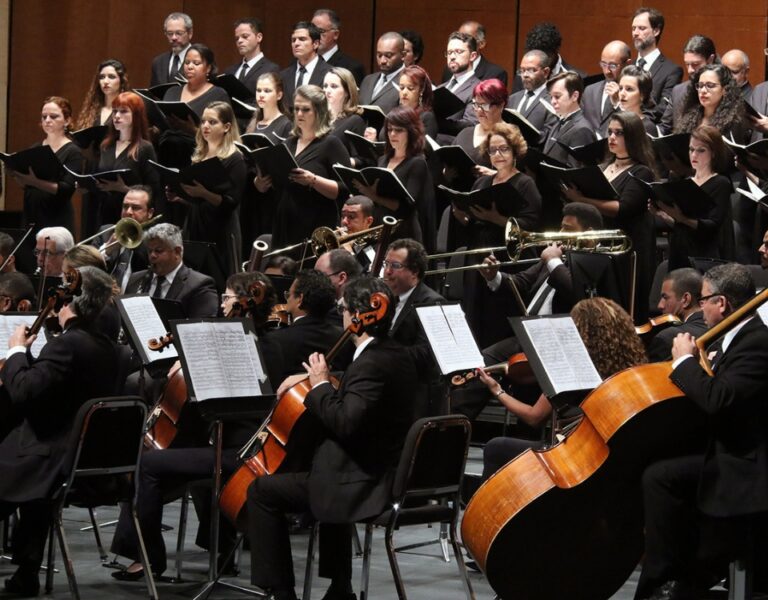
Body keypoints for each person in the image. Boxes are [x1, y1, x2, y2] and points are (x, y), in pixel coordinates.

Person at [246, 275, 420, 600]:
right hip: (382, 469)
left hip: (363, 482)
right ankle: (340, 587)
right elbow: (363, 388)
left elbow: (344, 422)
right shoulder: (395, 354)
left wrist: (321, 385)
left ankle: (281, 591)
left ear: (356, 315)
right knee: (323, 461)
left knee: (261, 490)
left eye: (343, 308)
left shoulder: (372, 362)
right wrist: (322, 378)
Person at [110, 270, 285, 581]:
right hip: (233, 440)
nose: (221, 303)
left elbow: (219, 401)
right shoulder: (269, 343)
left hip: (239, 448)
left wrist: (188, 370)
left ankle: (148, 556)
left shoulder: (241, 345)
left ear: (244, 302)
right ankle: (217, 550)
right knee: (170, 460)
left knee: (148, 465)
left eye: (228, 297)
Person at [635, 263, 768, 600]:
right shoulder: (733, 338)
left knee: (660, 477)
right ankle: (670, 577)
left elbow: (718, 399)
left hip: (746, 465)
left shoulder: (757, 343)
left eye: (705, 300)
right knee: (659, 469)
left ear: (721, 303)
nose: (701, 309)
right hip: (726, 448)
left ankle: (665, 580)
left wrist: (684, 363)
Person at [0, 266, 120, 596]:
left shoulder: (66, 346)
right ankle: (25, 570)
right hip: (87, 456)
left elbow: (22, 391)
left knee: (9, 447)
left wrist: (15, 351)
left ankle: (24, 568)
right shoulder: (106, 346)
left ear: (71, 302)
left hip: (52, 458)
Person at [477, 297, 647, 479]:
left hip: (572, 454)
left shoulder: (572, 365)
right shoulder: (631, 366)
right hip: (614, 454)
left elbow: (534, 417)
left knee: (496, 448)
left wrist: (497, 391)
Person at [452, 122, 542, 347]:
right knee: (475, 311)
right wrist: (461, 213)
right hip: (479, 252)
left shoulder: (525, 183)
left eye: (503, 149)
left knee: (497, 316)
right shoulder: (482, 181)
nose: (498, 154)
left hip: (508, 258)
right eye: (493, 150)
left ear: (515, 151)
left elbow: (530, 227)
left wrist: (497, 219)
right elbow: (471, 220)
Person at [562, 111, 657, 322]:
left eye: (619, 133)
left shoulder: (642, 172)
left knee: (618, 306)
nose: (612, 138)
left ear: (632, 137)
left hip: (626, 249)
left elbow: (622, 209)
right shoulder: (603, 167)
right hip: (600, 246)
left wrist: (582, 198)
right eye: (610, 132)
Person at [263, 85, 350, 249]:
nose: (299, 114)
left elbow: (344, 189)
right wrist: (261, 183)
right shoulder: (288, 143)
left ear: (319, 112)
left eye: (306, 109)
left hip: (315, 224)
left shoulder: (331, 144)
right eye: (296, 109)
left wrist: (313, 180)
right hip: (285, 223)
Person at [167, 100, 247, 276]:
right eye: (203, 121)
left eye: (212, 122)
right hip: (196, 225)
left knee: (218, 279)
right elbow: (199, 201)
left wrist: (203, 193)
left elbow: (230, 203)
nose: (205, 126)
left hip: (221, 231)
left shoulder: (235, 158)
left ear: (226, 127)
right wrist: (181, 196)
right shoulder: (199, 155)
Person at [652, 124, 734, 271]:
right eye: (691, 150)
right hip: (679, 250)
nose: (694, 155)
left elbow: (712, 226)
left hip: (702, 254)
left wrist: (681, 218)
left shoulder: (721, 183)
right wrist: (663, 214)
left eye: (701, 150)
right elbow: (681, 225)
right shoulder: (684, 182)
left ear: (714, 153)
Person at [353, 106, 433, 247]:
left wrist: (373, 196)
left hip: (404, 234)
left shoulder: (417, 163)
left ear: (411, 131)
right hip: (381, 228)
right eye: (390, 129)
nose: (392, 134)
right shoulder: (383, 159)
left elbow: (407, 208)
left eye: (399, 130)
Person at [383, 238, 445, 416]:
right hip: (389, 379)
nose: (387, 271)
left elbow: (426, 353)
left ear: (414, 272)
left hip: (414, 389)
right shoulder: (384, 297)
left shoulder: (432, 303)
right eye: (386, 263)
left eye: (395, 265)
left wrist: (382, 354)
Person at [9, 97, 82, 235]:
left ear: (67, 120)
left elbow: (66, 189)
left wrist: (34, 181)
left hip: (55, 218)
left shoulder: (73, 151)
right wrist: (15, 173)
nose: (47, 120)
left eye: (53, 116)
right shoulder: (35, 147)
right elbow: (26, 185)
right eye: (44, 117)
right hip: (32, 214)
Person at [93, 91, 160, 226]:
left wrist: (124, 189)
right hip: (106, 212)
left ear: (136, 116)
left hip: (133, 217)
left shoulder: (144, 148)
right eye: (115, 111)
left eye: (123, 112)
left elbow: (153, 189)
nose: (117, 116)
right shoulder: (106, 146)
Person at [124, 223, 218, 318]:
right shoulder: (135, 279)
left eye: (158, 251)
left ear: (177, 252)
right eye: (149, 251)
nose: (152, 256)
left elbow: (201, 327)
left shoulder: (200, 285)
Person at [269, 269, 343, 376]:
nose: (287, 300)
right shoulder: (343, 337)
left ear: (300, 299)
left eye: (289, 295)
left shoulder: (276, 340)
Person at [445, 78, 507, 192]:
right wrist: (447, 173)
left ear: (501, 105)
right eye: (476, 104)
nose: (479, 110)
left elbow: (519, 182)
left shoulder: (509, 136)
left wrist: (494, 175)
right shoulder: (465, 133)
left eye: (484, 105)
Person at [95, 185, 155, 292]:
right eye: (125, 206)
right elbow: (86, 266)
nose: (128, 212)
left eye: (136, 208)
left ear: (149, 213)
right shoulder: (106, 232)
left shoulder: (154, 240)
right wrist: (107, 250)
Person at [659, 35, 718, 136]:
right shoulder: (678, 91)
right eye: (687, 64)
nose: (690, 70)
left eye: (695, 64)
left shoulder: (722, 90)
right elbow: (665, 128)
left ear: (710, 60)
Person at [631, 7, 683, 120]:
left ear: (656, 31)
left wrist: (636, 122)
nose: (635, 33)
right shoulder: (627, 67)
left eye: (641, 28)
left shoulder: (672, 71)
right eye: (633, 28)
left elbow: (662, 109)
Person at [674, 64, 748, 143]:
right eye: (700, 85)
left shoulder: (733, 122)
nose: (703, 91)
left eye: (710, 85)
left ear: (725, 90)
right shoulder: (688, 116)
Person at [647, 268, 707, 362]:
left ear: (685, 299)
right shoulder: (719, 328)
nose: (660, 305)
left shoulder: (667, 338)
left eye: (665, 297)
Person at [436, 31, 481, 140]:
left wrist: (436, 122)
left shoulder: (478, 88)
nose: (452, 57)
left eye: (458, 52)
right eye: (449, 52)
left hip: (453, 148)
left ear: (473, 56)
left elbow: (470, 125)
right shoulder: (440, 88)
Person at [279, 21, 331, 111]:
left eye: (302, 39)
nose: (296, 43)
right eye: (293, 40)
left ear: (316, 44)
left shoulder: (329, 73)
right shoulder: (283, 75)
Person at [582, 41, 633, 133]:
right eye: (604, 64)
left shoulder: (634, 93)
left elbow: (635, 126)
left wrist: (618, 103)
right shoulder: (589, 90)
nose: (607, 71)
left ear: (628, 64)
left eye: (613, 66)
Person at [224, 19, 279, 102]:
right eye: (236, 38)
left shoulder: (271, 69)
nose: (239, 41)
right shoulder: (230, 71)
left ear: (259, 37)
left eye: (245, 36)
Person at [440, 20, 508, 86]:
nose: (460, 42)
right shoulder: (449, 70)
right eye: (458, 37)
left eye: (467, 38)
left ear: (481, 44)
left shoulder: (495, 74)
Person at [506, 50, 557, 134]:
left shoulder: (553, 100)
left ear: (546, 72)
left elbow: (549, 134)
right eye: (522, 70)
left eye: (531, 70)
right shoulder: (512, 99)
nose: (525, 75)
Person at [312, 9, 365, 85]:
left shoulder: (351, 67)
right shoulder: (302, 63)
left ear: (336, 34)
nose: (315, 35)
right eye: (312, 31)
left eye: (321, 31)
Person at [75, 59, 129, 131]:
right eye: (102, 77)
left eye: (111, 77)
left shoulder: (127, 110)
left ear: (122, 81)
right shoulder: (92, 109)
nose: (105, 81)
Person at [358, 32, 405, 113]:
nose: (382, 61)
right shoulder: (368, 80)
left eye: (389, 56)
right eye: (379, 55)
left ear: (403, 55)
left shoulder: (409, 82)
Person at [323, 67, 366, 158]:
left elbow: (362, 160)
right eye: (325, 86)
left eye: (334, 86)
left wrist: (341, 161)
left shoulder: (355, 121)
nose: (327, 91)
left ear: (347, 91)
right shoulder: (319, 116)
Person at [150, 12, 193, 87]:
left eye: (179, 33)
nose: (174, 38)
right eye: (170, 33)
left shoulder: (201, 60)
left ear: (190, 33)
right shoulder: (158, 62)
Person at [397, 65, 438, 139]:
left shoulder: (427, 117)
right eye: (401, 88)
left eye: (410, 88)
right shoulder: (395, 112)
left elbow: (425, 148)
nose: (404, 92)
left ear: (421, 90)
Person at [617, 65, 659, 134]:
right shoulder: (615, 123)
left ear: (642, 95)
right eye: (620, 88)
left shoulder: (647, 127)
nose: (622, 93)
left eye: (629, 89)